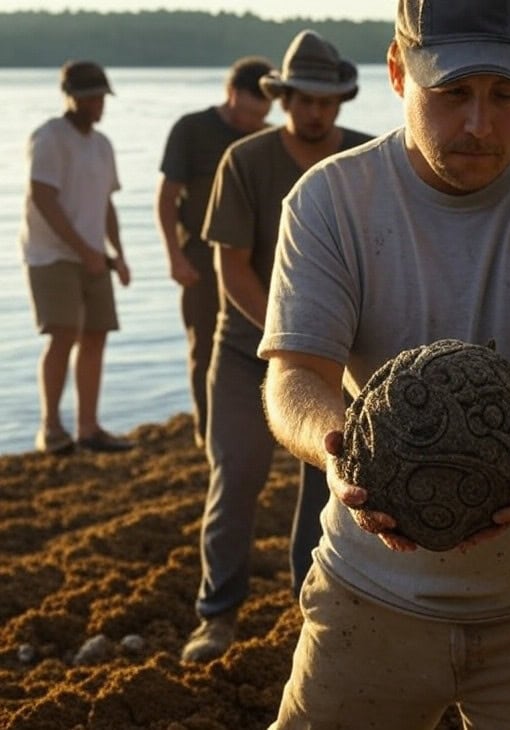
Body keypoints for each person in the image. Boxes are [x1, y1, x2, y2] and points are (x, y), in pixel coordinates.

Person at [258, 0, 510, 725]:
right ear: (397, 70)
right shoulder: (328, 200)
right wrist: (336, 448)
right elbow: (294, 376)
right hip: (368, 596)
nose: (480, 124)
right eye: (452, 93)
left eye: (506, 96)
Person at [180, 29, 373, 663]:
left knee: (329, 481)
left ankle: (313, 610)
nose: (315, 111)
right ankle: (217, 613)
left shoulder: (368, 160)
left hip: (340, 361)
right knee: (236, 474)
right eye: (303, 99)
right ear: (284, 97)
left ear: (341, 99)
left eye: (327, 100)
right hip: (245, 350)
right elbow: (231, 267)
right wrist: (289, 334)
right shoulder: (246, 162)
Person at [155, 56, 274, 450]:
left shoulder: (267, 140)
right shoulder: (192, 130)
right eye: (246, 113)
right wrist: (174, 256)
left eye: (261, 115)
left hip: (258, 262)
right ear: (231, 93)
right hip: (202, 261)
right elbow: (167, 198)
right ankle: (207, 432)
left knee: (267, 344)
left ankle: (269, 426)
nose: (251, 123)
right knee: (204, 347)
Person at [18, 60, 134, 455]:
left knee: (96, 336)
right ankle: (51, 429)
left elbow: (106, 205)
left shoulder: (102, 145)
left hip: (95, 258)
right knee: (63, 334)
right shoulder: (50, 137)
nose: (98, 104)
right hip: (52, 256)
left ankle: (88, 428)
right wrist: (84, 250)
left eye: (101, 97)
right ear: (72, 97)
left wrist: (117, 254)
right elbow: (42, 197)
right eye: (90, 97)